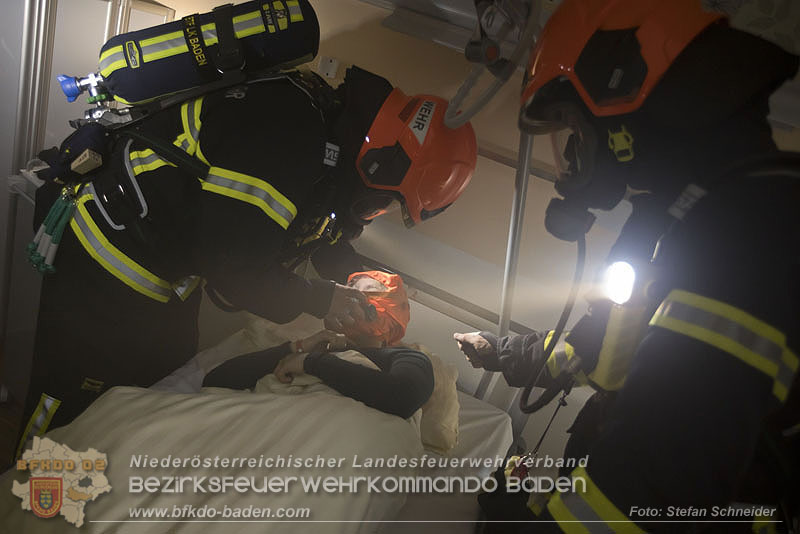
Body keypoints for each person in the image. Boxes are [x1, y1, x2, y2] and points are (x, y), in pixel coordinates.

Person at [453, 0, 799, 531]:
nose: (572, 153)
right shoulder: (682, 217)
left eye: (573, 124)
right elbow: (600, 349)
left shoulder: (753, 224)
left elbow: (652, 480)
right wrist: (502, 351)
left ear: (623, 94)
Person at [16, 63, 476, 458]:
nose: (373, 213)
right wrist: (322, 301)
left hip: (167, 270)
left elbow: (322, 231)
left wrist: (360, 278)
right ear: (380, 162)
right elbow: (235, 271)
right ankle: (28, 490)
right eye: (382, 204)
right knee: (71, 394)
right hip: (109, 253)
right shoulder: (284, 137)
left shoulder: (335, 149)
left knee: (154, 384)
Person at [202, 270, 432, 418]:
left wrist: (312, 364)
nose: (346, 300)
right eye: (348, 291)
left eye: (362, 295)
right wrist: (297, 348)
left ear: (386, 320)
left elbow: (403, 396)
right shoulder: (317, 346)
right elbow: (216, 380)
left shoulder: (408, 358)